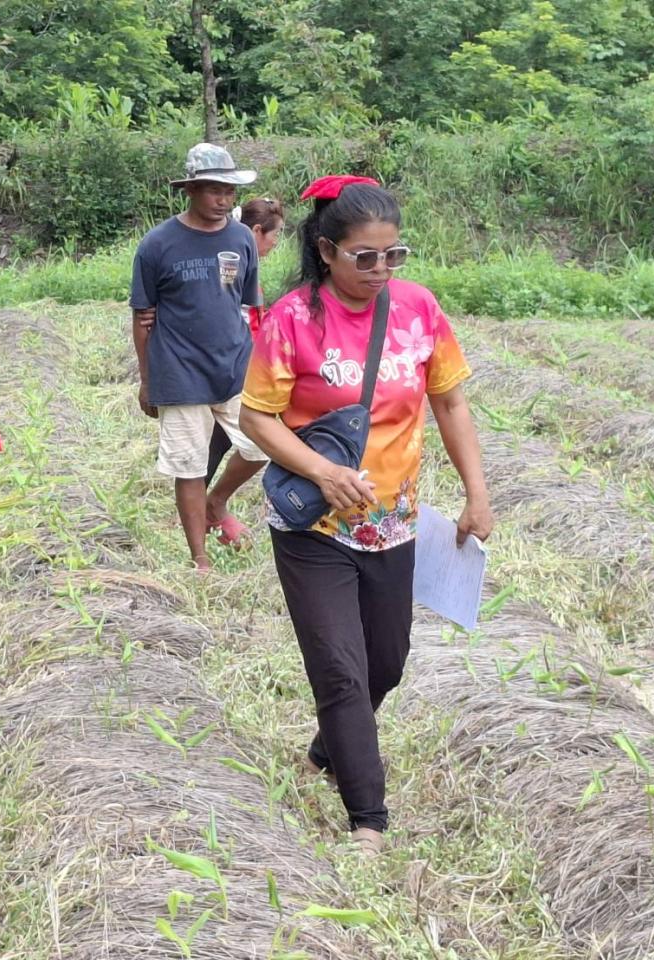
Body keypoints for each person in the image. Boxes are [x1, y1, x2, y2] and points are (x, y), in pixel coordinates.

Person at [239, 176, 493, 855]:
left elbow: (451, 404)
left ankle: (329, 747)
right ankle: (367, 819)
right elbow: (256, 417)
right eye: (365, 257)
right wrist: (323, 470)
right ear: (327, 251)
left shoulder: (418, 311)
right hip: (313, 526)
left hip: (393, 522)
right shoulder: (293, 318)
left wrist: (477, 492)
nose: (381, 270)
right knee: (341, 669)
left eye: (393, 255)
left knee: (388, 661)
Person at [130, 143, 269, 570]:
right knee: (188, 465)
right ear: (190, 191)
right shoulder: (157, 245)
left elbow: (248, 306)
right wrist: (148, 380)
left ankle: (218, 502)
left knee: (261, 447)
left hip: (234, 366)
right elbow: (143, 316)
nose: (223, 199)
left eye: (228, 191)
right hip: (179, 372)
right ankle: (200, 559)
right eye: (213, 190)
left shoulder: (242, 236)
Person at [205, 196, 286, 484]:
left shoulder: (243, 264)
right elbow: (229, 315)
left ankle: (202, 505)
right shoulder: (231, 266)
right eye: (275, 233)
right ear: (255, 232)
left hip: (238, 364)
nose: (276, 241)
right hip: (232, 365)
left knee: (220, 438)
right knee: (243, 441)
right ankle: (206, 505)